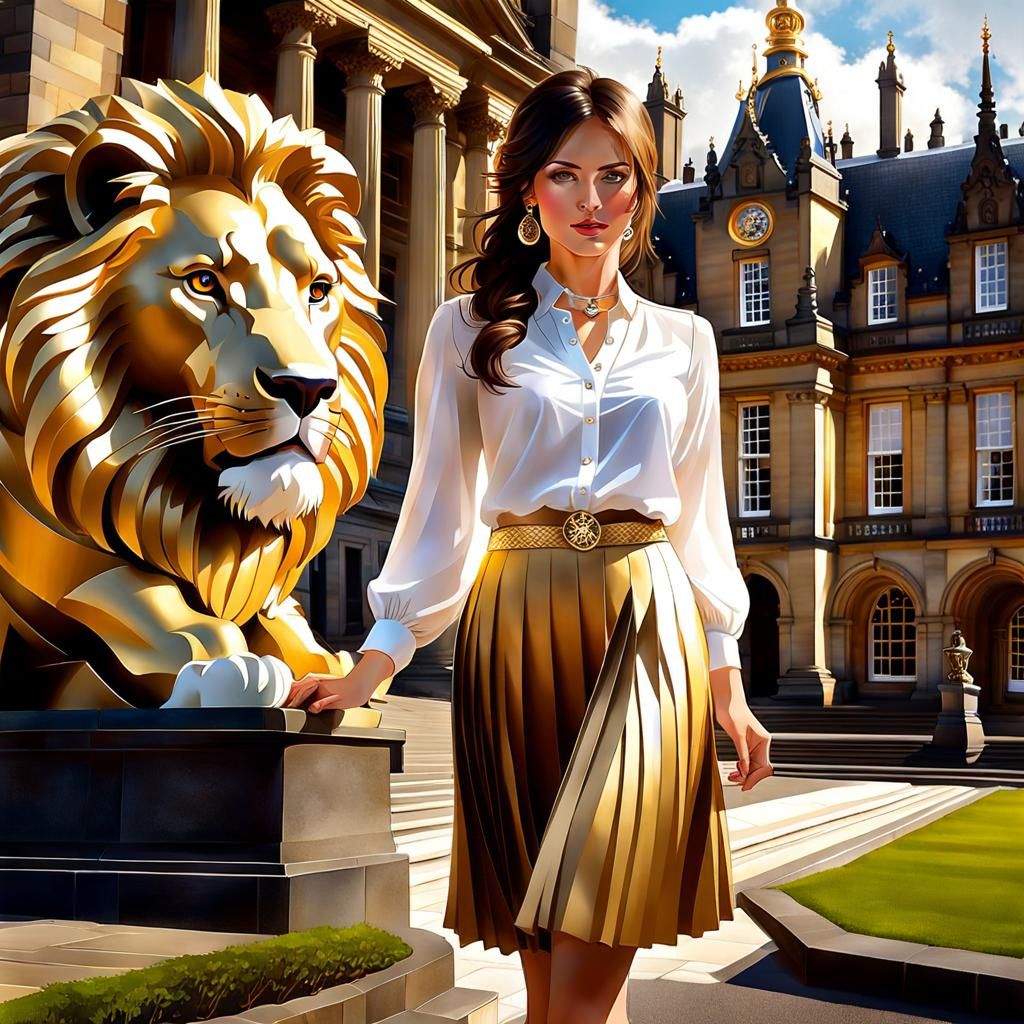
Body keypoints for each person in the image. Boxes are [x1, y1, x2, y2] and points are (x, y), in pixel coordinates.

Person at [287, 68, 773, 1024]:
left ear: (642, 189)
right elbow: (438, 511)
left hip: (649, 621)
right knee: (548, 940)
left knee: (602, 906)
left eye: (616, 177)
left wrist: (730, 682)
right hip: (515, 622)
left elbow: (702, 521)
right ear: (527, 191)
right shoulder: (465, 330)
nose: (592, 202)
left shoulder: (686, 340)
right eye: (566, 175)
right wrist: (373, 663)